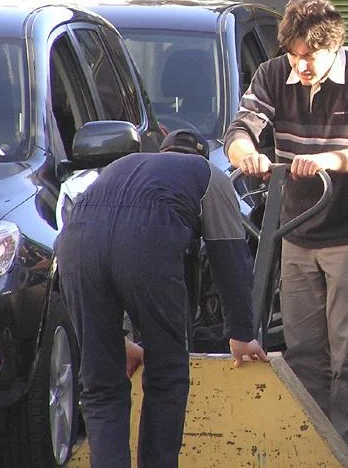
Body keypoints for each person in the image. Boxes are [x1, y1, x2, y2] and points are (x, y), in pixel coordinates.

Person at [224, 0, 348, 468]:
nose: (299, 65)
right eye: (293, 55)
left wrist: (326, 161)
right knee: (303, 353)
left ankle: (345, 450)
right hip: (297, 233)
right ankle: (307, 447)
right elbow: (240, 130)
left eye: (309, 57)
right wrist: (248, 156)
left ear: (333, 49)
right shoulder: (273, 74)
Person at [56, 128, 268, 468]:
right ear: (200, 156)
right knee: (166, 374)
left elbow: (91, 249)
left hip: (75, 247)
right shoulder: (209, 176)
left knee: (100, 385)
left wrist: (117, 340)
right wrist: (241, 333)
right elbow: (230, 258)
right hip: (145, 244)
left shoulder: (122, 166)